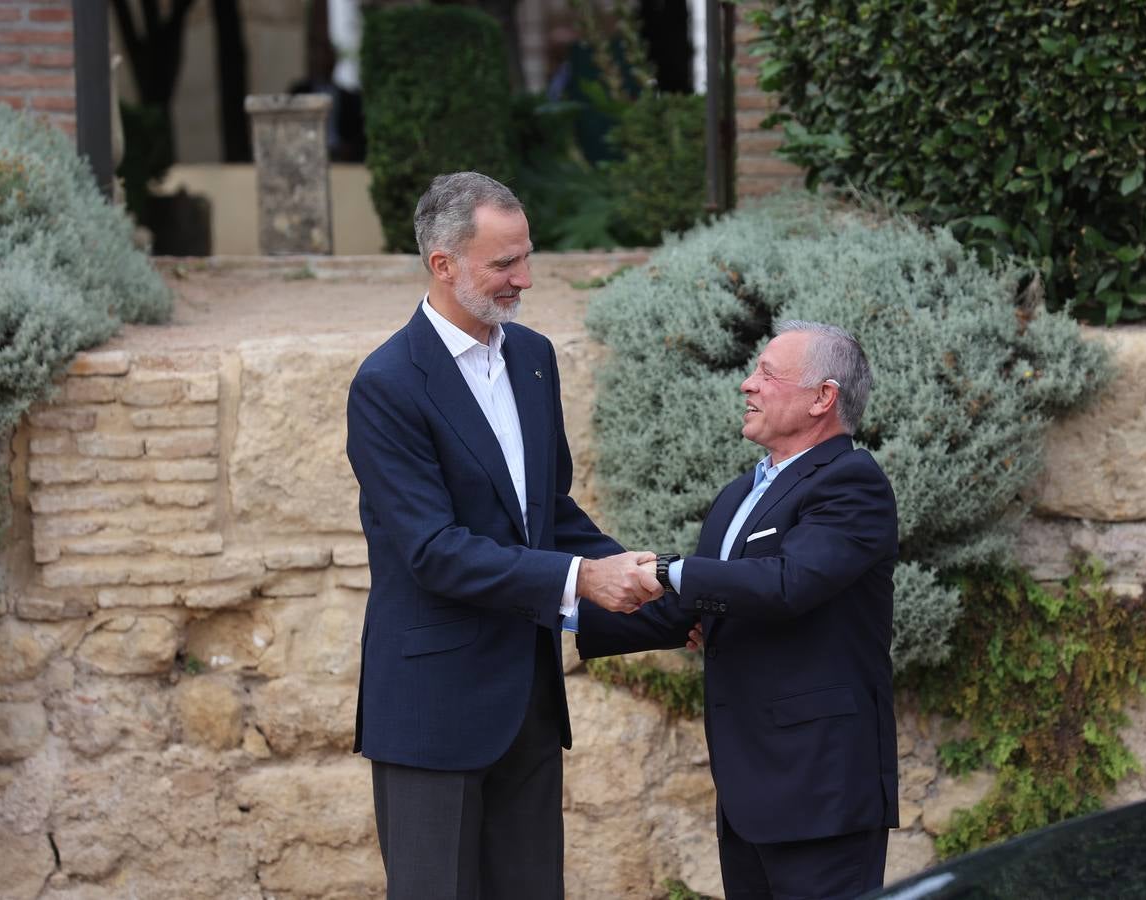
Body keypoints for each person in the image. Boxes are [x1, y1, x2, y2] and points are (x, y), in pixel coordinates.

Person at [345, 171, 662, 900]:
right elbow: (431, 550)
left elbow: (548, 513)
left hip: (528, 701)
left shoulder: (533, 357)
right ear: (443, 264)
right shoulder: (387, 384)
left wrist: (661, 589)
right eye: (503, 263)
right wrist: (581, 580)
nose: (524, 278)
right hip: (432, 710)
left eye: (526, 257)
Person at [579, 321, 901, 900]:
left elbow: (787, 584)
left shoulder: (853, 483)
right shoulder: (738, 495)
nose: (747, 385)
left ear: (823, 398)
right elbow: (692, 609)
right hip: (750, 788)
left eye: (767, 375)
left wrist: (663, 569)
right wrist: (564, 597)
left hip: (820, 788)